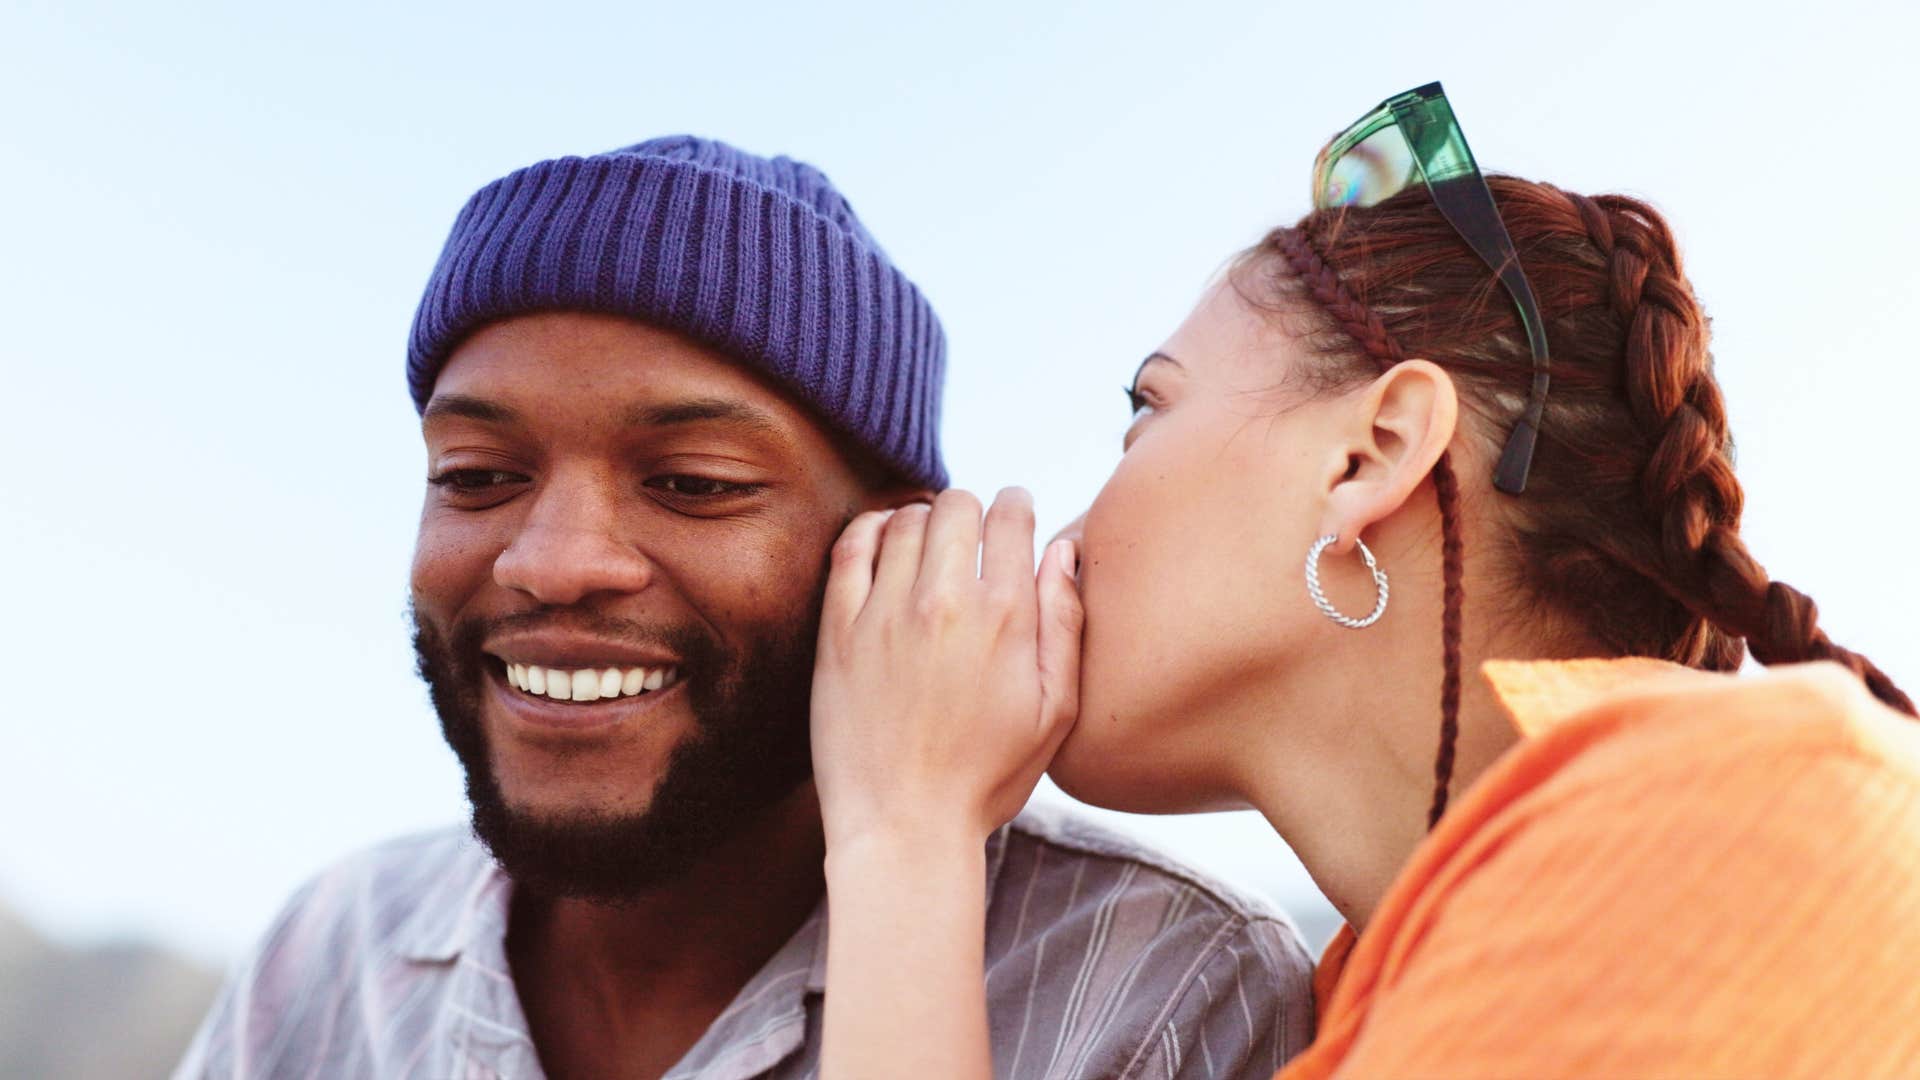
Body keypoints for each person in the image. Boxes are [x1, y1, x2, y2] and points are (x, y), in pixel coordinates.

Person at [809, 84, 1920, 1078]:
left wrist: (901, 836)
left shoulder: (1738, 819)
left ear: (1370, 457)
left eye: (1147, 410)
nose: (1073, 520)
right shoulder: (1355, 1005)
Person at [174, 137, 1315, 1079]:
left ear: (900, 553)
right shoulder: (322, 962)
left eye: (694, 485)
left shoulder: (1165, 987)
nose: (553, 561)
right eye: (477, 476)